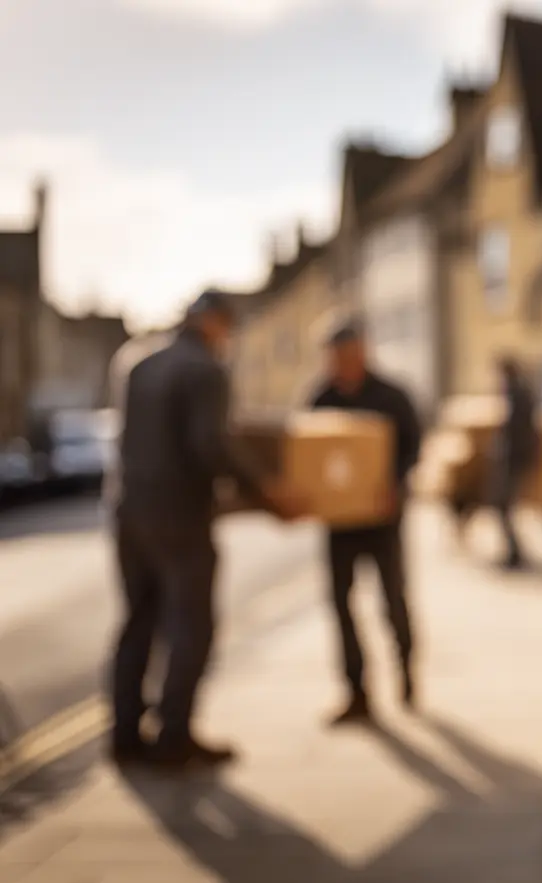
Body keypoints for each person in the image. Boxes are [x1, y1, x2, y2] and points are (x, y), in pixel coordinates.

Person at [111, 290, 302, 770]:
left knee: (138, 622)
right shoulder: (205, 371)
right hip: (180, 515)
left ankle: (125, 736)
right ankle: (174, 736)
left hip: (129, 511)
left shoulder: (140, 364)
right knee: (191, 627)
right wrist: (266, 492)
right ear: (215, 324)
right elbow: (210, 446)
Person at [310, 318, 423, 724]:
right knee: (341, 605)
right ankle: (356, 691)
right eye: (335, 358)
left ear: (362, 353)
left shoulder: (392, 397)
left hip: (382, 519)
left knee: (392, 599)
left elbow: (414, 448)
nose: (342, 365)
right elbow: (307, 458)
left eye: (348, 356)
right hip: (339, 524)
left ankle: (407, 671)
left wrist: (394, 483)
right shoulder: (320, 398)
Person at [492, 356, 540, 570]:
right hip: (517, 456)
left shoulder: (516, 393)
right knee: (504, 508)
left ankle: (515, 553)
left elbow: (516, 430)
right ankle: (513, 551)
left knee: (503, 506)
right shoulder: (520, 392)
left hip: (514, 458)